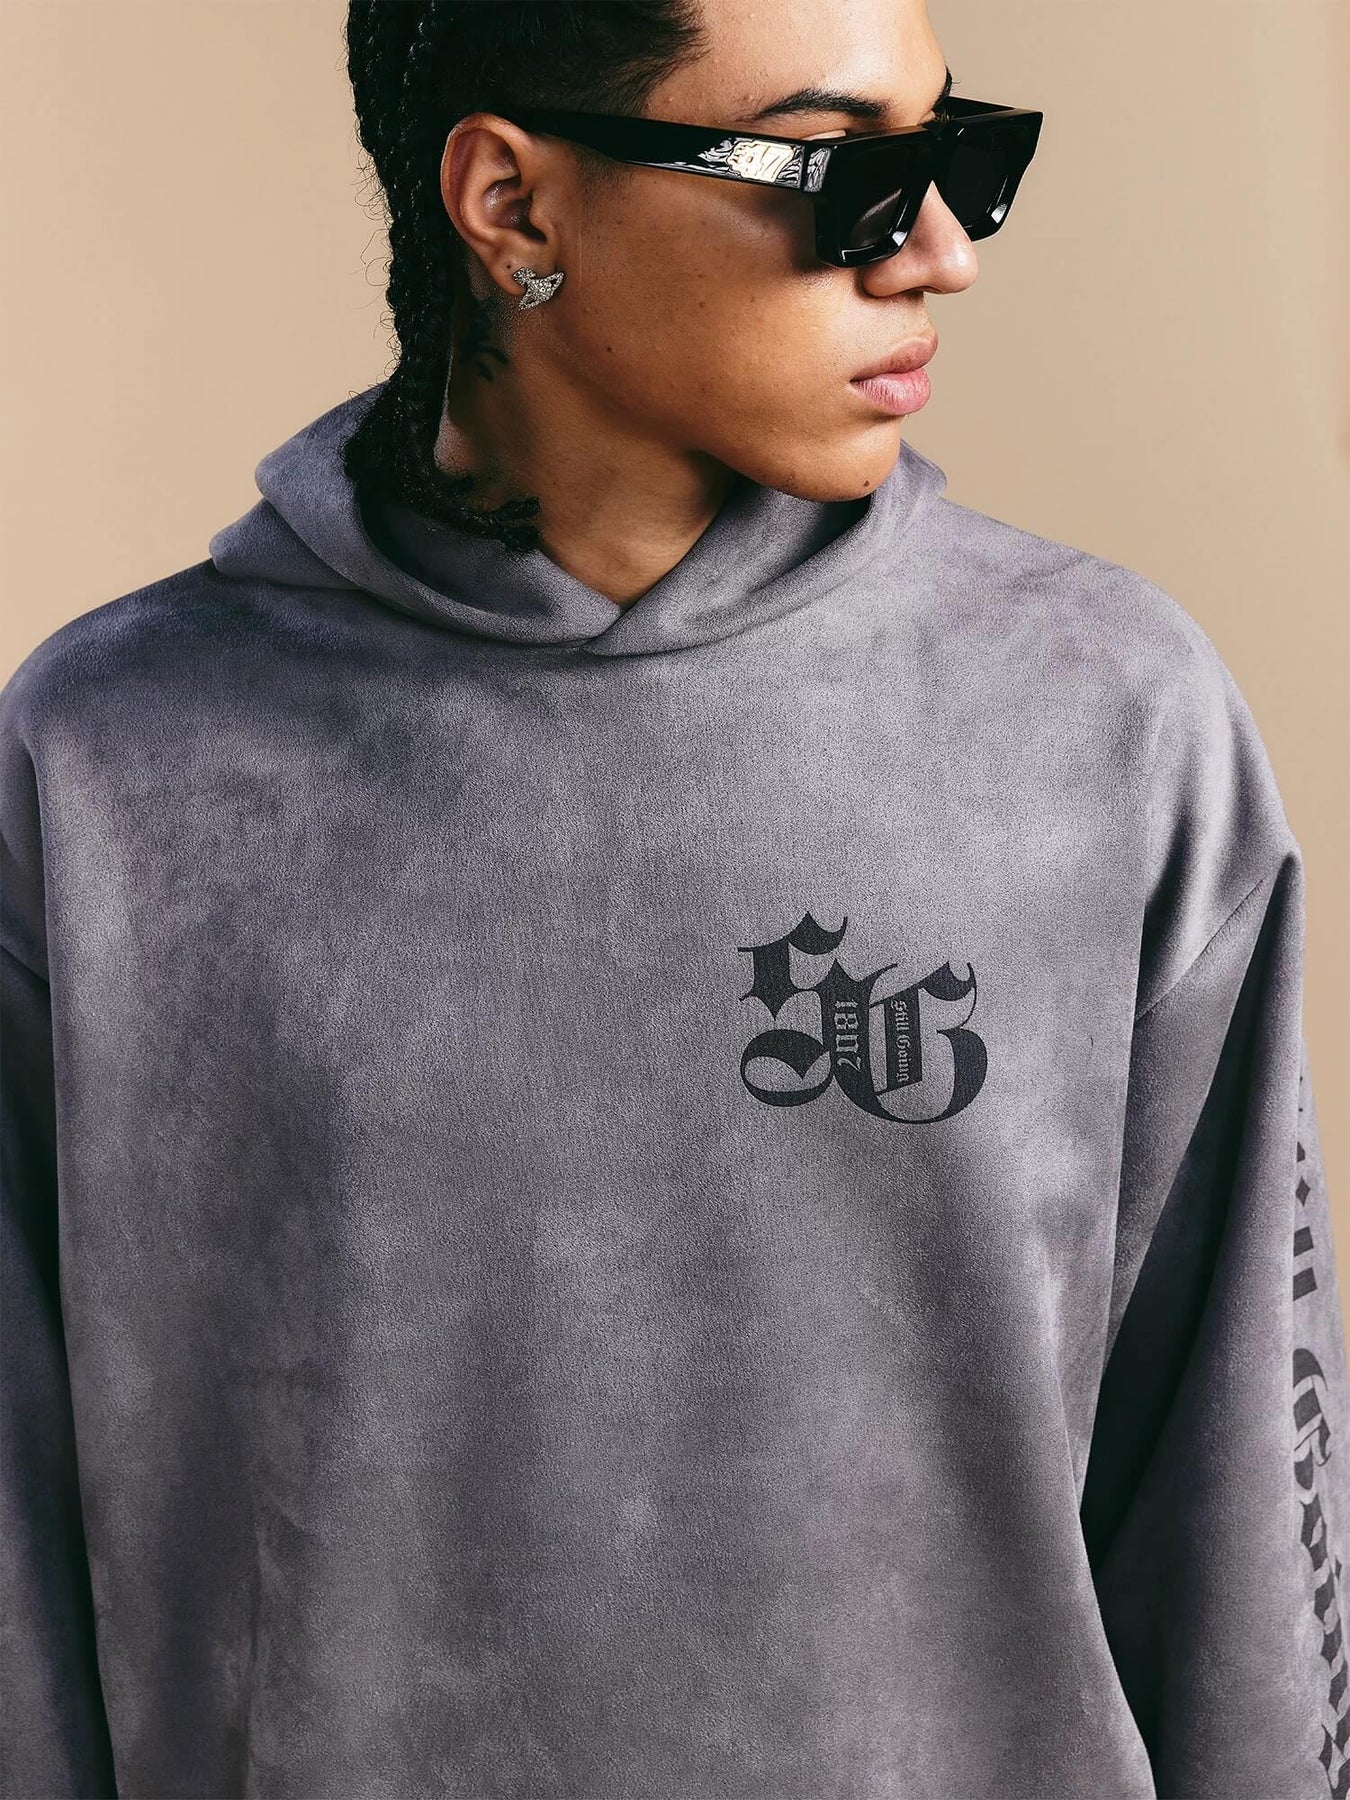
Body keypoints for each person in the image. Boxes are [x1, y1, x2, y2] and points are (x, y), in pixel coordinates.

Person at [2, 0, 1345, 1794]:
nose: (937, 253)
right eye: (845, 173)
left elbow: (1244, 1498)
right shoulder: (113, 758)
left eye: (956, 156)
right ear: (513, 203)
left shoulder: (1103, 715)